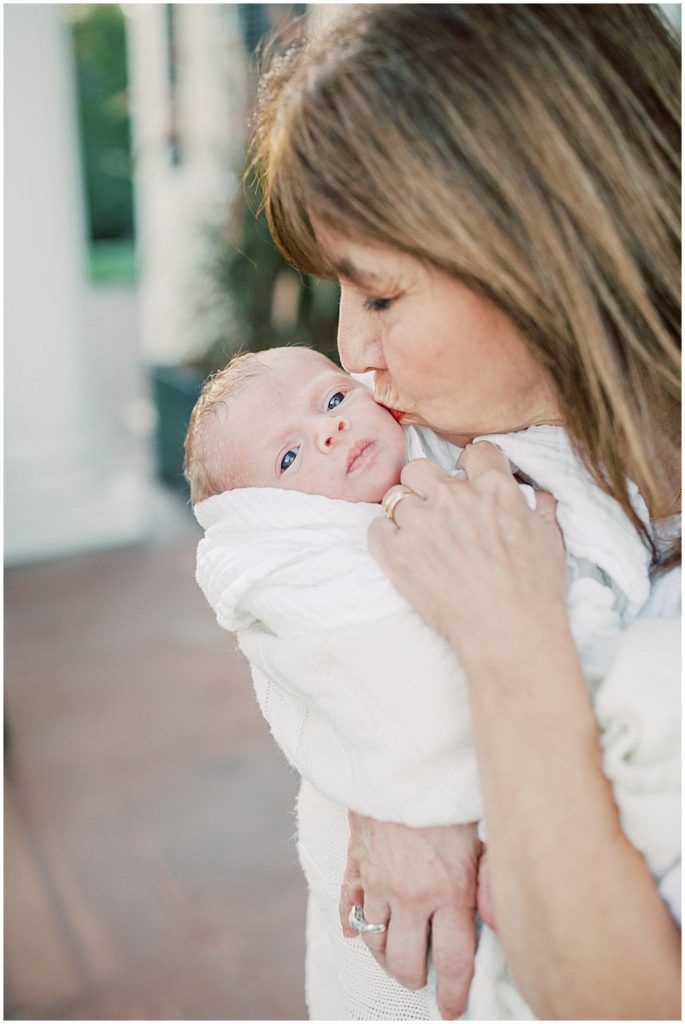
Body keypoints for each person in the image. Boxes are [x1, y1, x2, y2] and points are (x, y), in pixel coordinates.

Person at [250, 4, 681, 1019]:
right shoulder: (424, 448)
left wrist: (504, 647)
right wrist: (393, 773)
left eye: (382, 297)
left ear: (548, 247)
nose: (352, 353)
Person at [187, 344, 678, 1018]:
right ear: (269, 517)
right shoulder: (313, 569)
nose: (329, 429)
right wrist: (416, 798)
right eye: (289, 457)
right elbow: (377, 682)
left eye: (332, 400)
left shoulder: (446, 450)